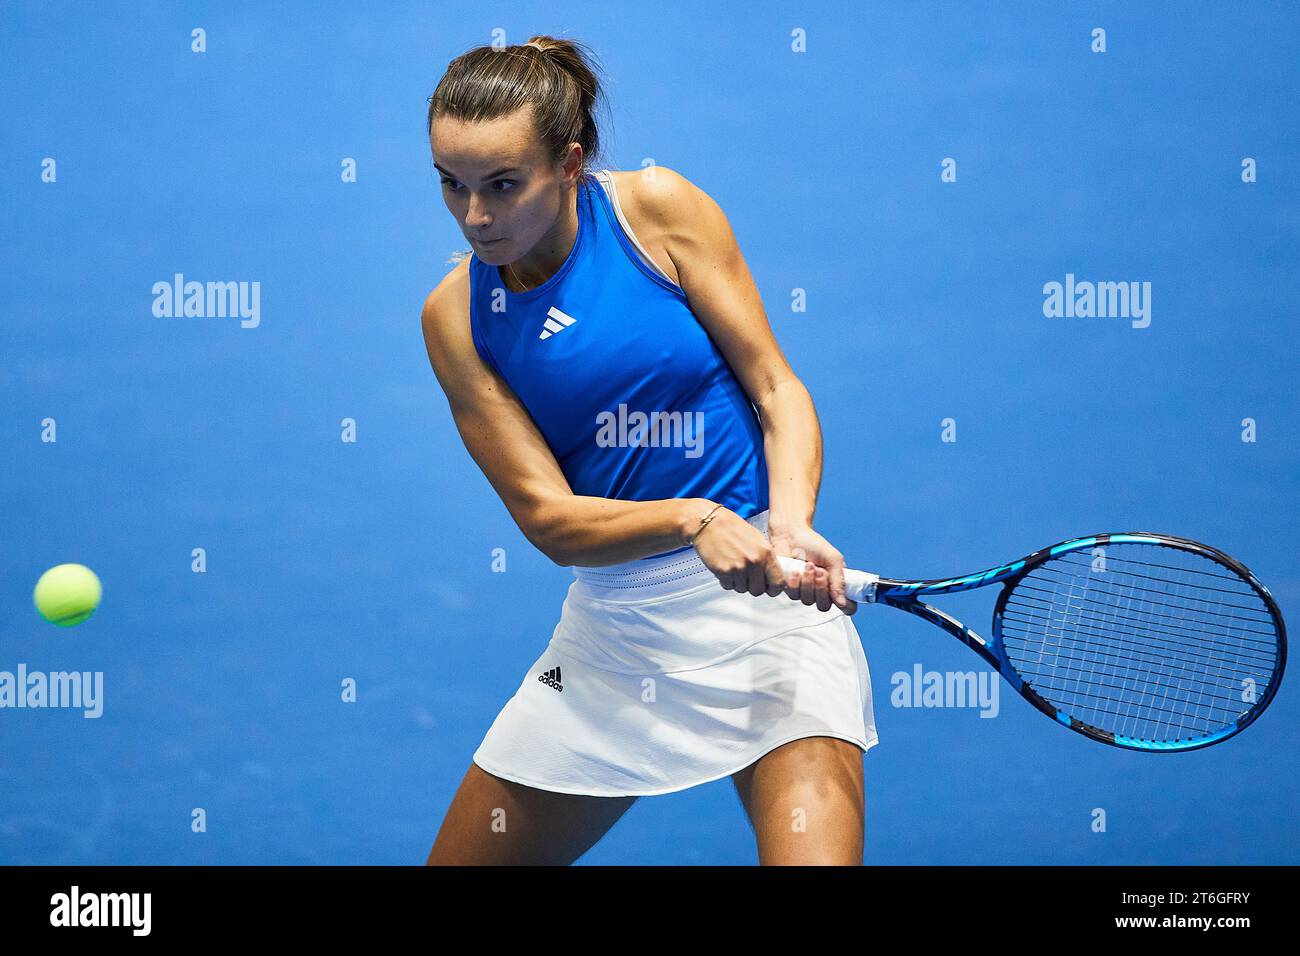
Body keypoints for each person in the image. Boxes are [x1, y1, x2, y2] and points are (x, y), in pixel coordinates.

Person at [420, 35, 877, 865]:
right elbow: (550, 520)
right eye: (452, 185)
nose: (476, 216)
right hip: (614, 638)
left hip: (771, 620)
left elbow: (776, 388)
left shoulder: (657, 211)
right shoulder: (456, 318)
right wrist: (693, 520)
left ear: (569, 161)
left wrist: (791, 520)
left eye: (502, 185)